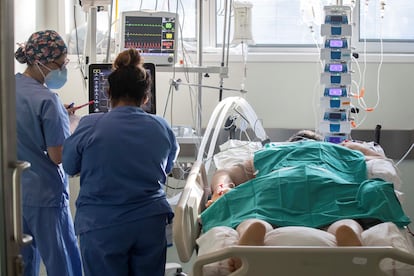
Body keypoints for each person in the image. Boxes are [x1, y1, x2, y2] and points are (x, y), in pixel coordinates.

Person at [201, 131, 410, 271]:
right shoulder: (340, 151)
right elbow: (382, 164)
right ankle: (347, 233)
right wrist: (357, 147)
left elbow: (226, 172)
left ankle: (254, 229)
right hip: (330, 188)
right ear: (320, 142)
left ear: (290, 142)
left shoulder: (271, 151)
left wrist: (222, 189)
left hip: (276, 189)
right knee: (345, 218)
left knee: (254, 211)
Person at [62, 48, 179, 276]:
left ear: (108, 93)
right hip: (150, 223)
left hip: (103, 226)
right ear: (146, 97)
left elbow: (69, 165)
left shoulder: (89, 125)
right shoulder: (162, 126)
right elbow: (165, 168)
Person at [14, 30, 83, 276]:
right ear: (42, 61)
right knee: (62, 263)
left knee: (21, 264)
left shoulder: (8, 88)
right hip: (45, 197)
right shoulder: (48, 101)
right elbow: (58, 156)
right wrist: (72, 123)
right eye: (61, 64)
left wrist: (59, 117)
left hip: (14, 195)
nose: (63, 70)